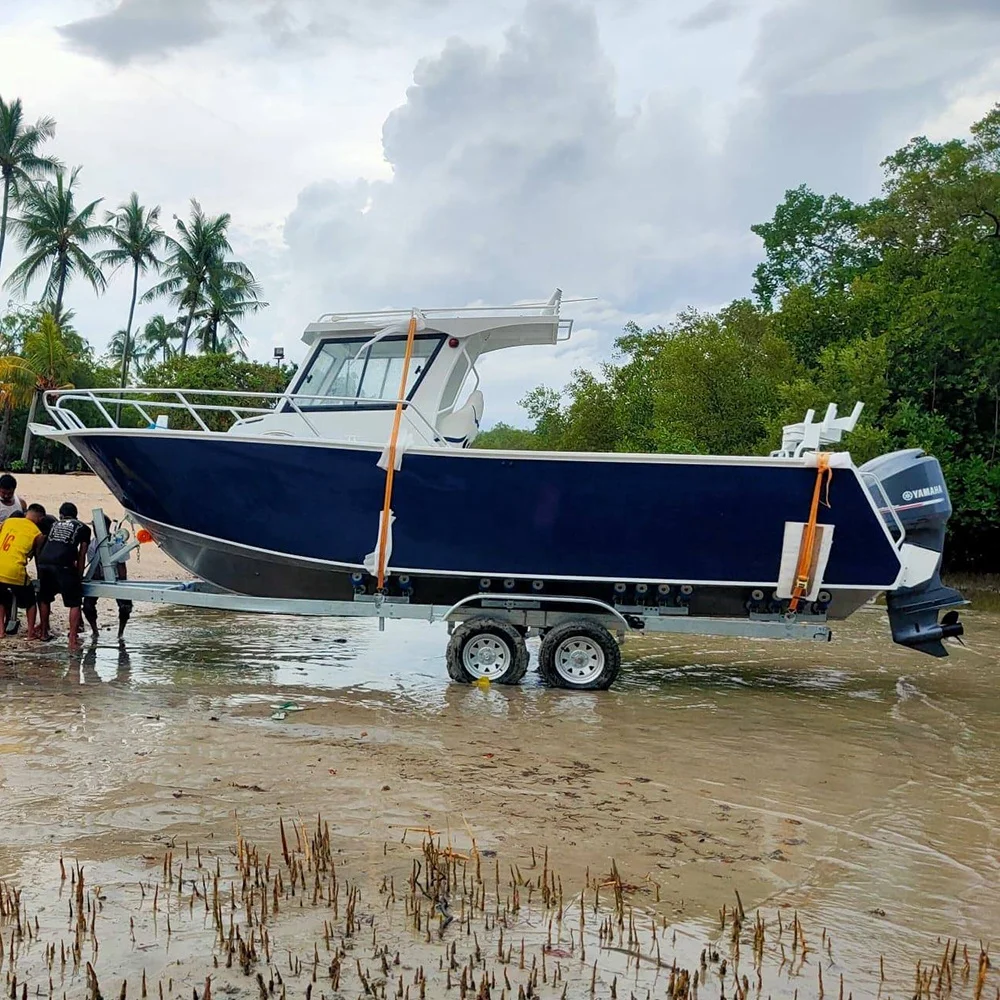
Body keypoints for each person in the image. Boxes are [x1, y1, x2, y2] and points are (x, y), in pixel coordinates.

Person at [36, 501, 91, 646]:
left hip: (45, 561)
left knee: (45, 598)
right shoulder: (83, 527)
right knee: (75, 602)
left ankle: (43, 633)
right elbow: (82, 552)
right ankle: (72, 638)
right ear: (76, 515)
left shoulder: (54, 524)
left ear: (61, 515)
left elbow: (44, 541)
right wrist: (78, 575)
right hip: (63, 564)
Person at [82, 514, 133, 640]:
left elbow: (122, 568)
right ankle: (95, 631)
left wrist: (122, 588)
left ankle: (120, 633)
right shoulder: (92, 545)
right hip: (97, 576)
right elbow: (93, 567)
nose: (94, 529)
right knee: (87, 606)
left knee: (125, 606)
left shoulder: (117, 543)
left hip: (116, 577)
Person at [0, 505, 46, 639]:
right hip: (14, 571)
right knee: (30, 601)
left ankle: (1, 632)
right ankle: (30, 633)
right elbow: (37, 556)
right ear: (40, 518)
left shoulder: (8, 522)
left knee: (1, 600)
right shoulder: (37, 533)